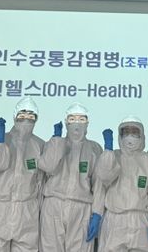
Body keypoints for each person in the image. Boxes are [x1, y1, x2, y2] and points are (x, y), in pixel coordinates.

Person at [0, 97, 46, 252]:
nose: (26, 120)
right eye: (22, 115)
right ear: (15, 116)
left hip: (26, 209)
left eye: (31, 116)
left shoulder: (39, 145)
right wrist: (0, 140)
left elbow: (40, 181)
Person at [38, 102, 105, 252]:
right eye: (72, 119)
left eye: (81, 119)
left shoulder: (94, 149)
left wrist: (97, 213)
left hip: (81, 208)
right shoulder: (53, 144)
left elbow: (99, 184)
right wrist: (56, 141)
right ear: (66, 122)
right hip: (54, 205)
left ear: (87, 123)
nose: (76, 123)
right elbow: (48, 166)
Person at [96, 116, 148, 252]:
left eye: (134, 132)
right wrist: (108, 151)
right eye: (126, 132)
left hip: (141, 221)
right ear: (120, 135)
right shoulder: (112, 157)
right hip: (115, 220)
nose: (130, 136)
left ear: (142, 134)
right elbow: (104, 177)